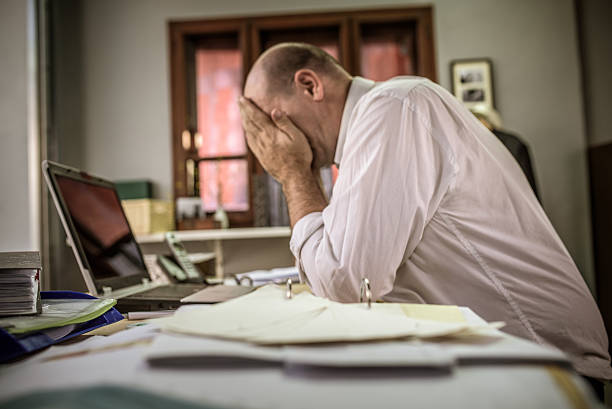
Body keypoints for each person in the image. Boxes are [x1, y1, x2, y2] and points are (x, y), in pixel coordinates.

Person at [238, 43, 612, 388]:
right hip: (501, 360)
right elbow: (343, 270)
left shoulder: (393, 107)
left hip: (544, 366)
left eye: (270, 123)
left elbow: (348, 286)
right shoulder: (367, 139)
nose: (268, 144)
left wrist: (292, 173)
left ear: (309, 85)